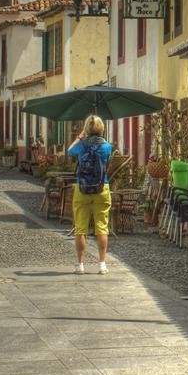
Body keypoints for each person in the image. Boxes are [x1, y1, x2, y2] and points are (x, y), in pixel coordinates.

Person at [67, 115, 113, 275]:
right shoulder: (107, 147)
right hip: (102, 187)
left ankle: (80, 265)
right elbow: (107, 163)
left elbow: (69, 151)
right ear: (102, 129)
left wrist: (80, 136)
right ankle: (102, 264)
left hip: (82, 188)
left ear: (87, 129)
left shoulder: (81, 145)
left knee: (80, 228)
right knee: (102, 227)